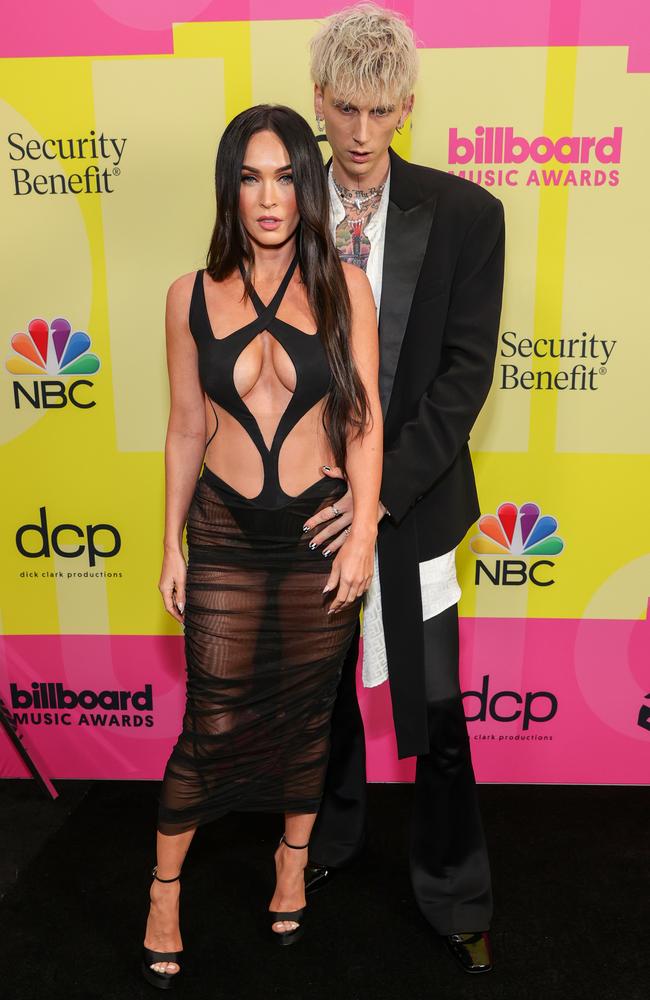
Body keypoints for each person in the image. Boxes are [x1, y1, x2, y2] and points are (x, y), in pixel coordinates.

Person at [142, 103, 382, 988]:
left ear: (306, 186)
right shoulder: (188, 296)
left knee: (306, 719)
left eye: (285, 176)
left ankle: (291, 860)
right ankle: (164, 889)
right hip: (225, 533)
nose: (269, 196)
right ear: (229, 187)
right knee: (212, 721)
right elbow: (183, 428)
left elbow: (364, 422)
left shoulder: (344, 287)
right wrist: (169, 543)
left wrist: (362, 529)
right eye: (250, 176)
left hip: (319, 534)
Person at [302, 4, 506, 975]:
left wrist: (377, 494)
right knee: (316, 692)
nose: (357, 130)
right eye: (342, 106)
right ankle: (323, 848)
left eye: (377, 110)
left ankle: (454, 888)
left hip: (413, 499)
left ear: (406, 108)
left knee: (430, 704)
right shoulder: (276, 198)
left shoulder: (466, 213)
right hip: (301, 494)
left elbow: (465, 374)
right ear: (320, 101)